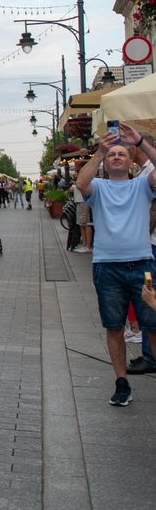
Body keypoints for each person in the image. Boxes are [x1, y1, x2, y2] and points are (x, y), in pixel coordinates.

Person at [74, 123, 156, 406]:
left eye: (122, 153)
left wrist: (141, 143)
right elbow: (81, 183)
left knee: (153, 325)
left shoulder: (141, 185)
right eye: (113, 155)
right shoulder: (98, 187)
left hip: (142, 265)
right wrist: (100, 151)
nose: (117, 156)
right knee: (114, 327)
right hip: (107, 267)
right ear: (106, 164)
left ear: (131, 161)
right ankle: (121, 382)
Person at [125, 132, 156, 376]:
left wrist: (140, 235)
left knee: (148, 297)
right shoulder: (144, 171)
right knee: (147, 296)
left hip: (150, 244)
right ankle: (148, 353)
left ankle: (150, 356)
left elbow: (153, 211)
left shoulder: (150, 172)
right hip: (148, 243)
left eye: (129, 147)